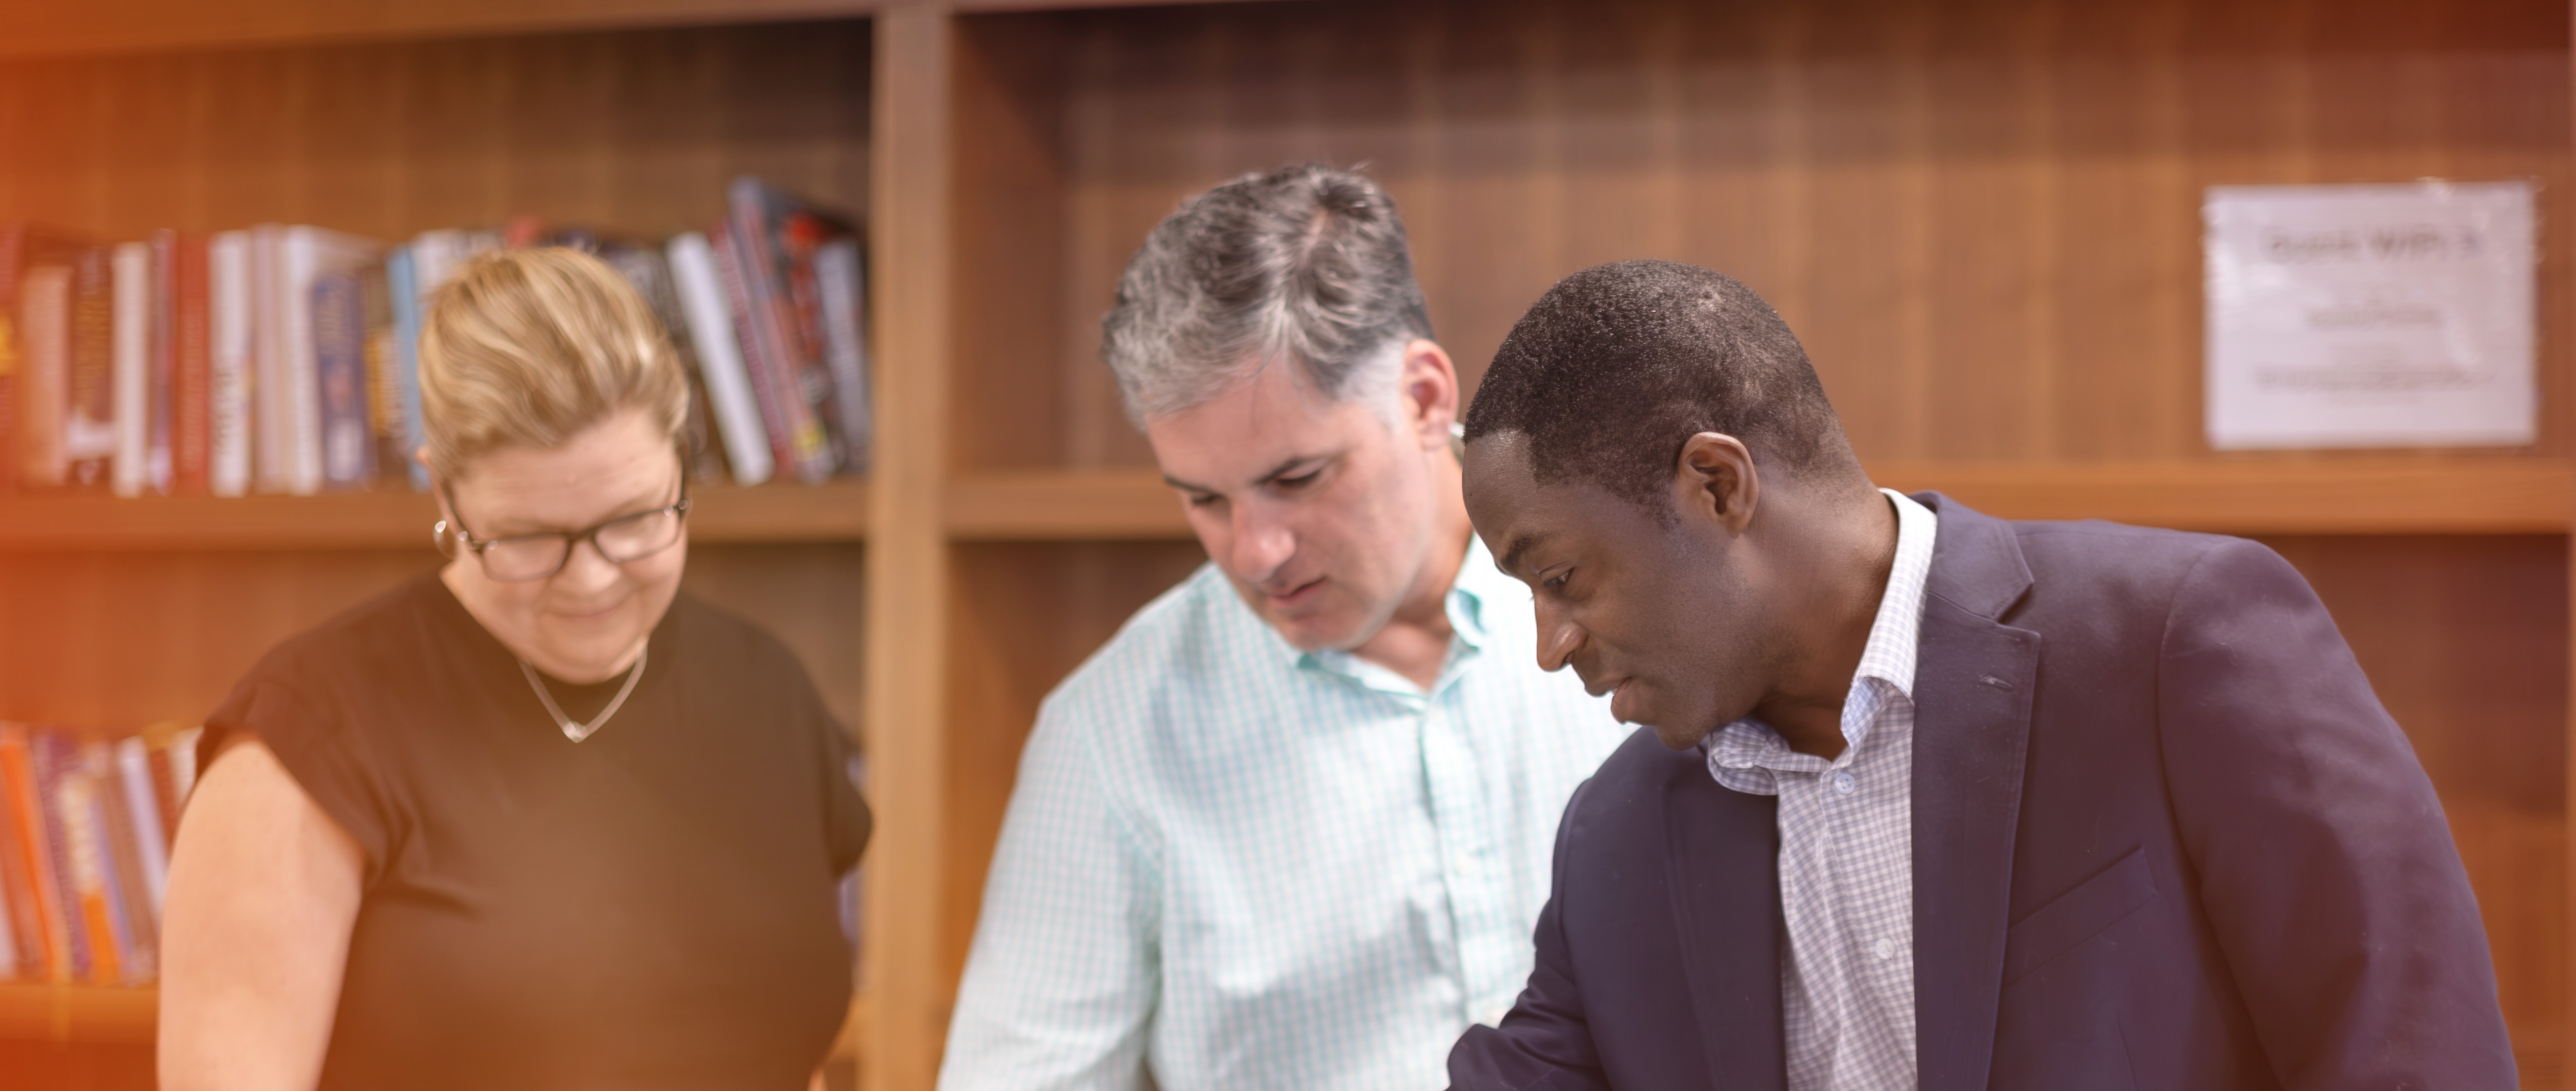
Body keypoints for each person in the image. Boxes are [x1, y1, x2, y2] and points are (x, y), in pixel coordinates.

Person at [1446, 260, 2514, 1091]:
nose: (1550, 642)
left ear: (1718, 486)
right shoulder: (1621, 832)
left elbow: (2411, 1053)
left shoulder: (2171, 645)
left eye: (1563, 576)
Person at [938, 165, 1631, 1091]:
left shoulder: (1646, 598)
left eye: (1298, 479)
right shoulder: (1107, 733)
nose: (1257, 551)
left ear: (1424, 398)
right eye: (1204, 499)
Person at [159, 248, 872, 1091]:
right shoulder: (307, 741)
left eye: (636, 518)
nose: (593, 577)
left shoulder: (770, 695)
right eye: (530, 537)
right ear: (443, 496)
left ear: (685, 463)